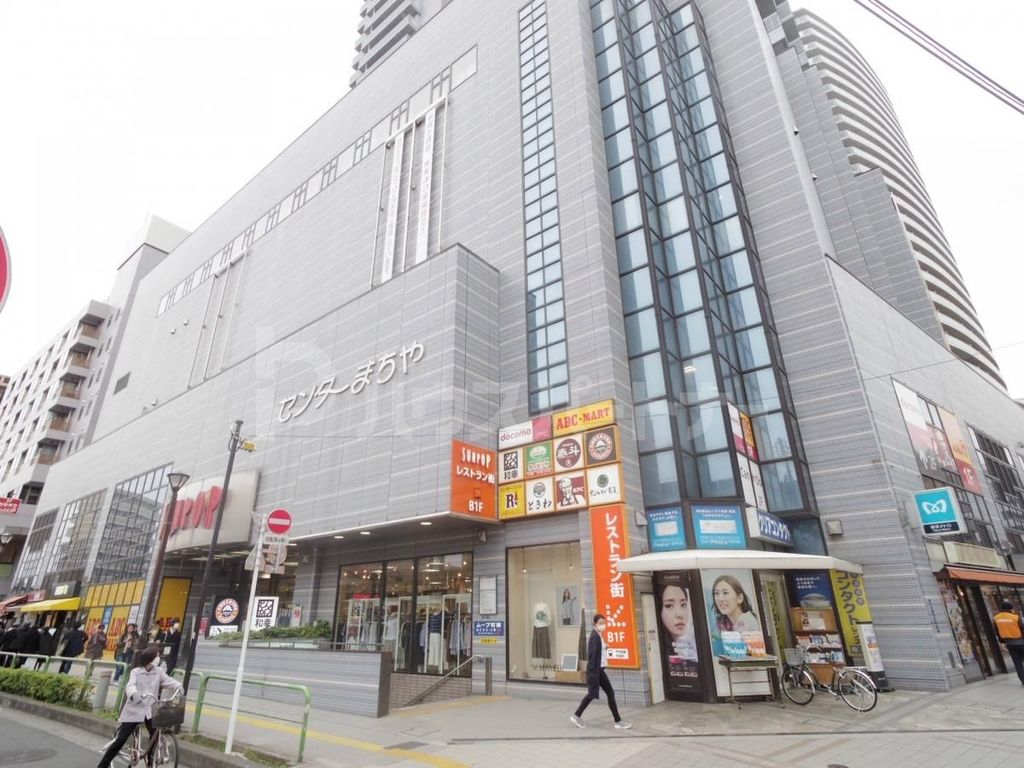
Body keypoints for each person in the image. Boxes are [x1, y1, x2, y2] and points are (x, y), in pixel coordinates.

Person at [96, 646, 183, 768]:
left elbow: (168, 680)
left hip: (150, 709)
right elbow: (130, 685)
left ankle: (150, 760)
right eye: (157, 656)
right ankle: (102, 765)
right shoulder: (136, 672)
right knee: (121, 739)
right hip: (135, 708)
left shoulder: (158, 671)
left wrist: (178, 686)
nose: (158, 658)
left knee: (155, 734)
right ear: (150, 658)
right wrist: (134, 694)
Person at [570, 614, 631, 730]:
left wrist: (605, 647)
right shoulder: (595, 637)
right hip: (596, 671)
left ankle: (617, 720)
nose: (603, 625)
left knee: (603, 693)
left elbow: (598, 651)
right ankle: (577, 715)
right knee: (598, 693)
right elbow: (592, 656)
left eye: (604, 623)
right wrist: (593, 675)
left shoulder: (598, 635)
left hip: (599, 670)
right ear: (594, 624)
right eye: (600, 623)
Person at [659, 582, 697, 661]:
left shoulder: (694, 644)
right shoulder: (661, 652)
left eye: (683, 605)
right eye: (669, 606)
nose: (679, 615)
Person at [993, 600, 1024, 685]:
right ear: (1010, 609)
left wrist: (1002, 642)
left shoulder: (996, 618)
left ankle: (1023, 680)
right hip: (1021, 642)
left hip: (1009, 644)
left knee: (1017, 663)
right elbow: (1022, 629)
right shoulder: (1015, 617)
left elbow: (997, 632)